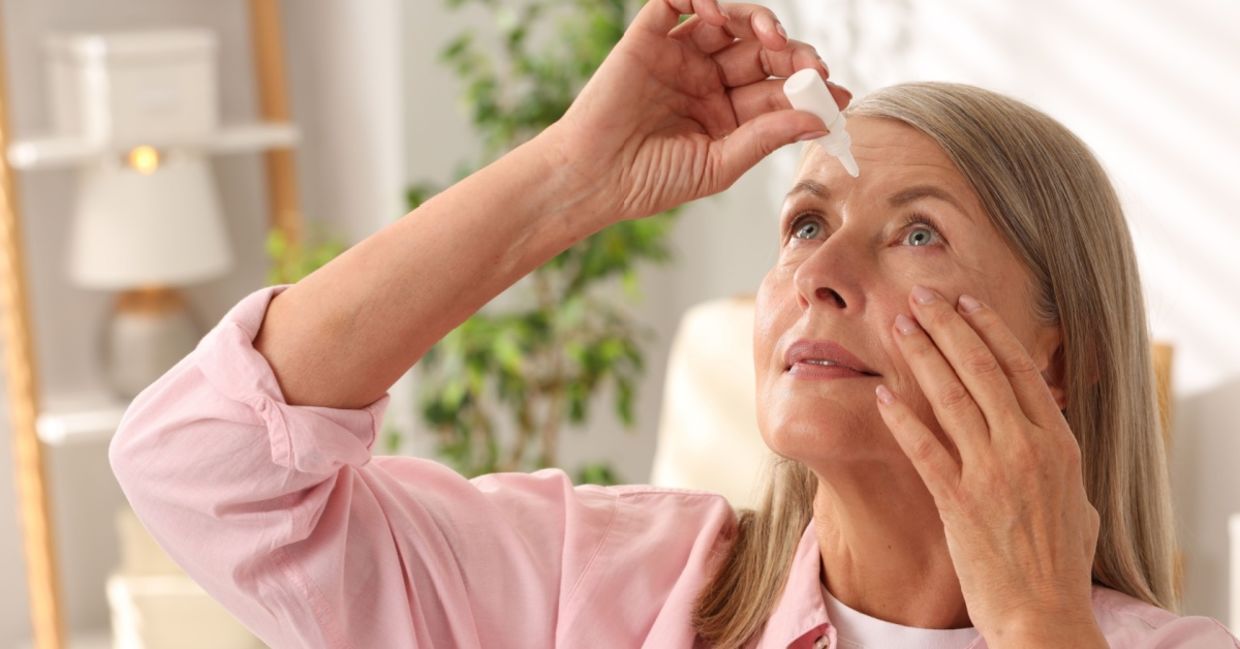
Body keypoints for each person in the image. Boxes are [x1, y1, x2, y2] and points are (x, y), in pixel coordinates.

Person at [109, 1, 1240, 647]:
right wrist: (565, 178)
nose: (821, 273)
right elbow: (198, 467)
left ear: (1058, 353)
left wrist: (1039, 619)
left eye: (917, 234)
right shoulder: (593, 585)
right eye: (804, 224)